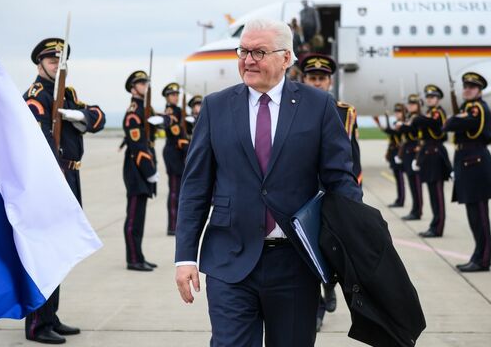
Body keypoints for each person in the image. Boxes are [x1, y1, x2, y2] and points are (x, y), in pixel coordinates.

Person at [174, 18, 362, 347]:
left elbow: (341, 182)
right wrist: (185, 256)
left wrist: (357, 246)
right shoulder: (216, 107)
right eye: (243, 51)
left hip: (295, 263)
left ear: (286, 58)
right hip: (229, 259)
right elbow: (195, 188)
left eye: (259, 52)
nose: (248, 60)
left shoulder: (318, 106)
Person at [23, 37, 105, 344]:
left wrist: (80, 116)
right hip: (49, 179)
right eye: (51, 60)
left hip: (70, 176)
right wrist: (52, 173)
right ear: (39, 64)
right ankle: (36, 324)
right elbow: (38, 139)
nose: (57, 64)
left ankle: (50, 316)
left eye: (60, 60)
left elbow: (98, 117)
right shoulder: (36, 97)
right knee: (45, 250)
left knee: (59, 249)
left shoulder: (66, 94)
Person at [298, 53, 362, 331]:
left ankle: (329, 285)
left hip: (333, 193)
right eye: (312, 78)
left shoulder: (345, 112)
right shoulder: (293, 109)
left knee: (332, 249)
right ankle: (317, 308)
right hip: (304, 194)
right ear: (303, 80)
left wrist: (355, 197)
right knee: (307, 252)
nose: (317, 83)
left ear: (330, 82)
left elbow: (352, 157)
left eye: (322, 79)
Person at [443, 72, 491, 272]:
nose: (467, 90)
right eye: (466, 87)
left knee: (480, 217)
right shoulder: (466, 108)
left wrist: (454, 119)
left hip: (476, 163)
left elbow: (451, 124)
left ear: (480, 90)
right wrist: (455, 118)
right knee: (473, 216)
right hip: (467, 163)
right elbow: (449, 125)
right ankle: (477, 255)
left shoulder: (477, 108)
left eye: (472, 87)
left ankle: (483, 259)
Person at [122, 70, 161, 272]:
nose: (145, 86)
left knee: (140, 217)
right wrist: (149, 170)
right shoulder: (133, 112)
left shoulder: (146, 109)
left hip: (143, 168)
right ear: (133, 88)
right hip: (136, 169)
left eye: (146, 82)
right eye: (141, 83)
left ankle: (139, 256)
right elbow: (137, 146)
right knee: (133, 218)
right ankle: (133, 259)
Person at [410, 84, 452, 237]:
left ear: (438, 99)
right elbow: (417, 124)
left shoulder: (438, 113)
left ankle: (438, 227)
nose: (429, 99)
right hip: (428, 155)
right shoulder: (428, 113)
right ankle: (434, 225)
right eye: (427, 97)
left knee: (437, 194)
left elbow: (431, 123)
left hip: (436, 154)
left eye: (432, 97)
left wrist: (417, 117)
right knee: (432, 193)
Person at [161, 82, 190, 235]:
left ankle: (177, 223)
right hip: (173, 153)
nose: (175, 97)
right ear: (167, 97)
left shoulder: (179, 111)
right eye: (172, 95)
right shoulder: (170, 112)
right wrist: (188, 148)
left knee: (179, 190)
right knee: (174, 190)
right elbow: (177, 133)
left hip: (179, 153)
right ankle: (172, 225)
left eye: (176, 94)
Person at [395, 94, 424, 220]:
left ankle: (418, 211)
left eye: (413, 104)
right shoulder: (410, 117)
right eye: (409, 104)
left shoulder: (418, 118)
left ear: (418, 105)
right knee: (412, 184)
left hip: (414, 152)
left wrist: (402, 125)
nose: (410, 106)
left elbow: (412, 130)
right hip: (407, 152)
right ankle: (414, 209)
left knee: (416, 184)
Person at [374, 103, 407, 208]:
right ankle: (399, 199)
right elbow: (391, 135)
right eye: (396, 112)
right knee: (397, 177)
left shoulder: (403, 124)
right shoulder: (396, 123)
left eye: (399, 112)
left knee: (400, 178)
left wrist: (385, 120)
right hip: (394, 152)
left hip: (399, 153)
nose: (397, 114)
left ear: (403, 113)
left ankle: (401, 200)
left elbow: (393, 132)